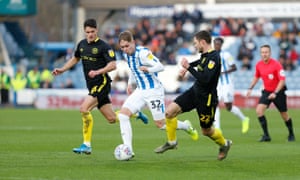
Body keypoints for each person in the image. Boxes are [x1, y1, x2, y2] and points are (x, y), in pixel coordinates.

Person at [52, 19, 148, 155]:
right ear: (84, 32)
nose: (90, 34)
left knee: (84, 109)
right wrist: (62, 69)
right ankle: (134, 113)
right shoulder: (82, 45)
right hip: (91, 86)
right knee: (112, 119)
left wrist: (98, 72)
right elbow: (75, 58)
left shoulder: (104, 46)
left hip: (102, 84)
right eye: (87, 32)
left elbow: (113, 65)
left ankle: (86, 144)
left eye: (92, 31)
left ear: (96, 30)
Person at [117, 30, 198, 158]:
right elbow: (133, 69)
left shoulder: (143, 53)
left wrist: (148, 69)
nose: (125, 49)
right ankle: (128, 150)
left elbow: (160, 66)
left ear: (133, 42)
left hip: (153, 90)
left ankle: (185, 126)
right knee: (123, 115)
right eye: (122, 47)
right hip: (140, 90)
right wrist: (129, 83)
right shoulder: (126, 56)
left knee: (160, 124)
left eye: (127, 46)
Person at [155, 30, 232, 161]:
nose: (195, 46)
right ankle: (172, 142)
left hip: (206, 99)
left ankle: (225, 144)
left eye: (196, 43)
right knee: (169, 113)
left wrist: (189, 68)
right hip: (194, 91)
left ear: (203, 42)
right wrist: (188, 66)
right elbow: (200, 62)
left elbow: (205, 79)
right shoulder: (205, 55)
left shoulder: (214, 58)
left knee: (206, 131)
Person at [246, 44, 295, 142]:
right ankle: (266, 136)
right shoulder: (259, 64)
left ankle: (291, 134)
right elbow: (256, 76)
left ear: (270, 53)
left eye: (266, 52)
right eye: (263, 52)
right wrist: (250, 88)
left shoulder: (276, 64)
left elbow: (282, 80)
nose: (264, 54)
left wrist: (276, 93)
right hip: (267, 91)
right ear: (260, 53)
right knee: (259, 111)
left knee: (284, 115)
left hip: (278, 92)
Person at [213, 37, 250, 133]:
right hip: (218, 84)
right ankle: (217, 128)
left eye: (218, 44)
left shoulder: (226, 55)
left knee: (228, 106)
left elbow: (234, 67)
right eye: (215, 43)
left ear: (221, 45)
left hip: (227, 83)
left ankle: (244, 119)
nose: (216, 45)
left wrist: (223, 72)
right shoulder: (211, 56)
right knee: (215, 104)